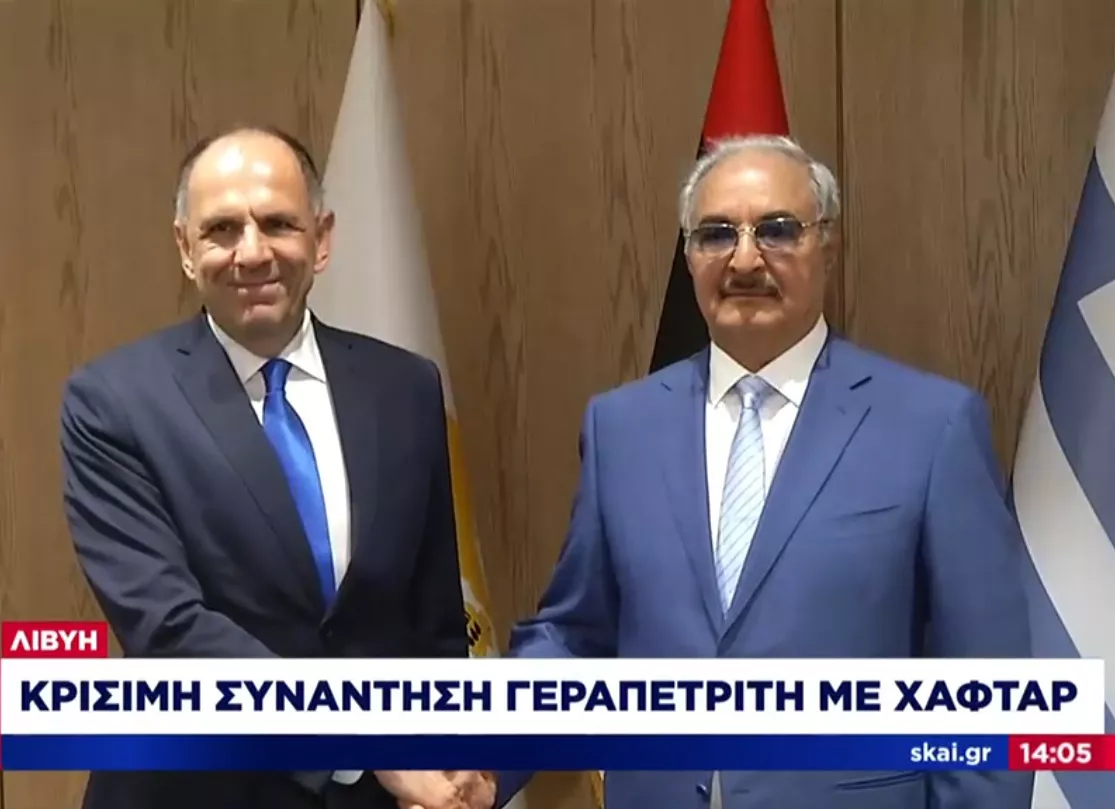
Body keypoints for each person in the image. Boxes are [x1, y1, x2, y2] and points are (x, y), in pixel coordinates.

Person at [496, 135, 1033, 809]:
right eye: (716, 234)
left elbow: (987, 691)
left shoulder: (931, 426)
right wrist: (486, 759)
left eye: (777, 230)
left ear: (826, 247)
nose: (745, 259)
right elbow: (576, 636)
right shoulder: (622, 427)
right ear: (688, 256)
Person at [59, 126, 495, 809]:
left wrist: (448, 753)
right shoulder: (114, 402)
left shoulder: (405, 388)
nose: (252, 252)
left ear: (321, 238)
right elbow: (168, 627)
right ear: (185, 248)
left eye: (277, 223)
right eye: (222, 229)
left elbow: (433, 620)